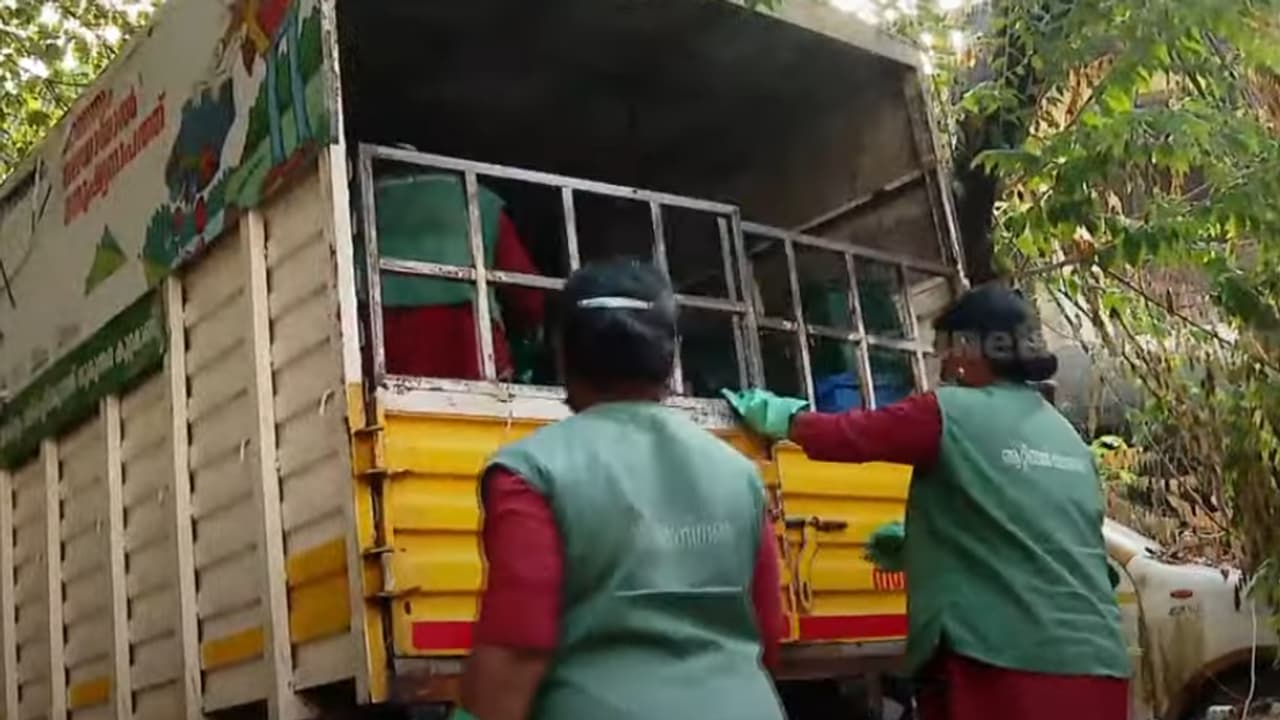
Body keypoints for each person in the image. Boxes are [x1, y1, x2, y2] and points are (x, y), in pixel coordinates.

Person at [723, 283, 1131, 720]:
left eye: (949, 349)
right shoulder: (1067, 437)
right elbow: (1068, 543)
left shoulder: (948, 411)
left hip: (1004, 664)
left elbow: (849, 434)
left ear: (975, 348)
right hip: (1099, 665)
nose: (944, 362)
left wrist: (782, 417)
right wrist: (929, 545)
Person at [456, 259, 785, 720]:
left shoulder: (530, 472)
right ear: (669, 358)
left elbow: (517, 650)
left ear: (562, 352)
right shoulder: (740, 474)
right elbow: (769, 634)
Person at [376, 172, 545, 380]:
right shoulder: (478, 201)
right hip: (475, 362)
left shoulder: (362, 203)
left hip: (386, 366)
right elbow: (527, 295)